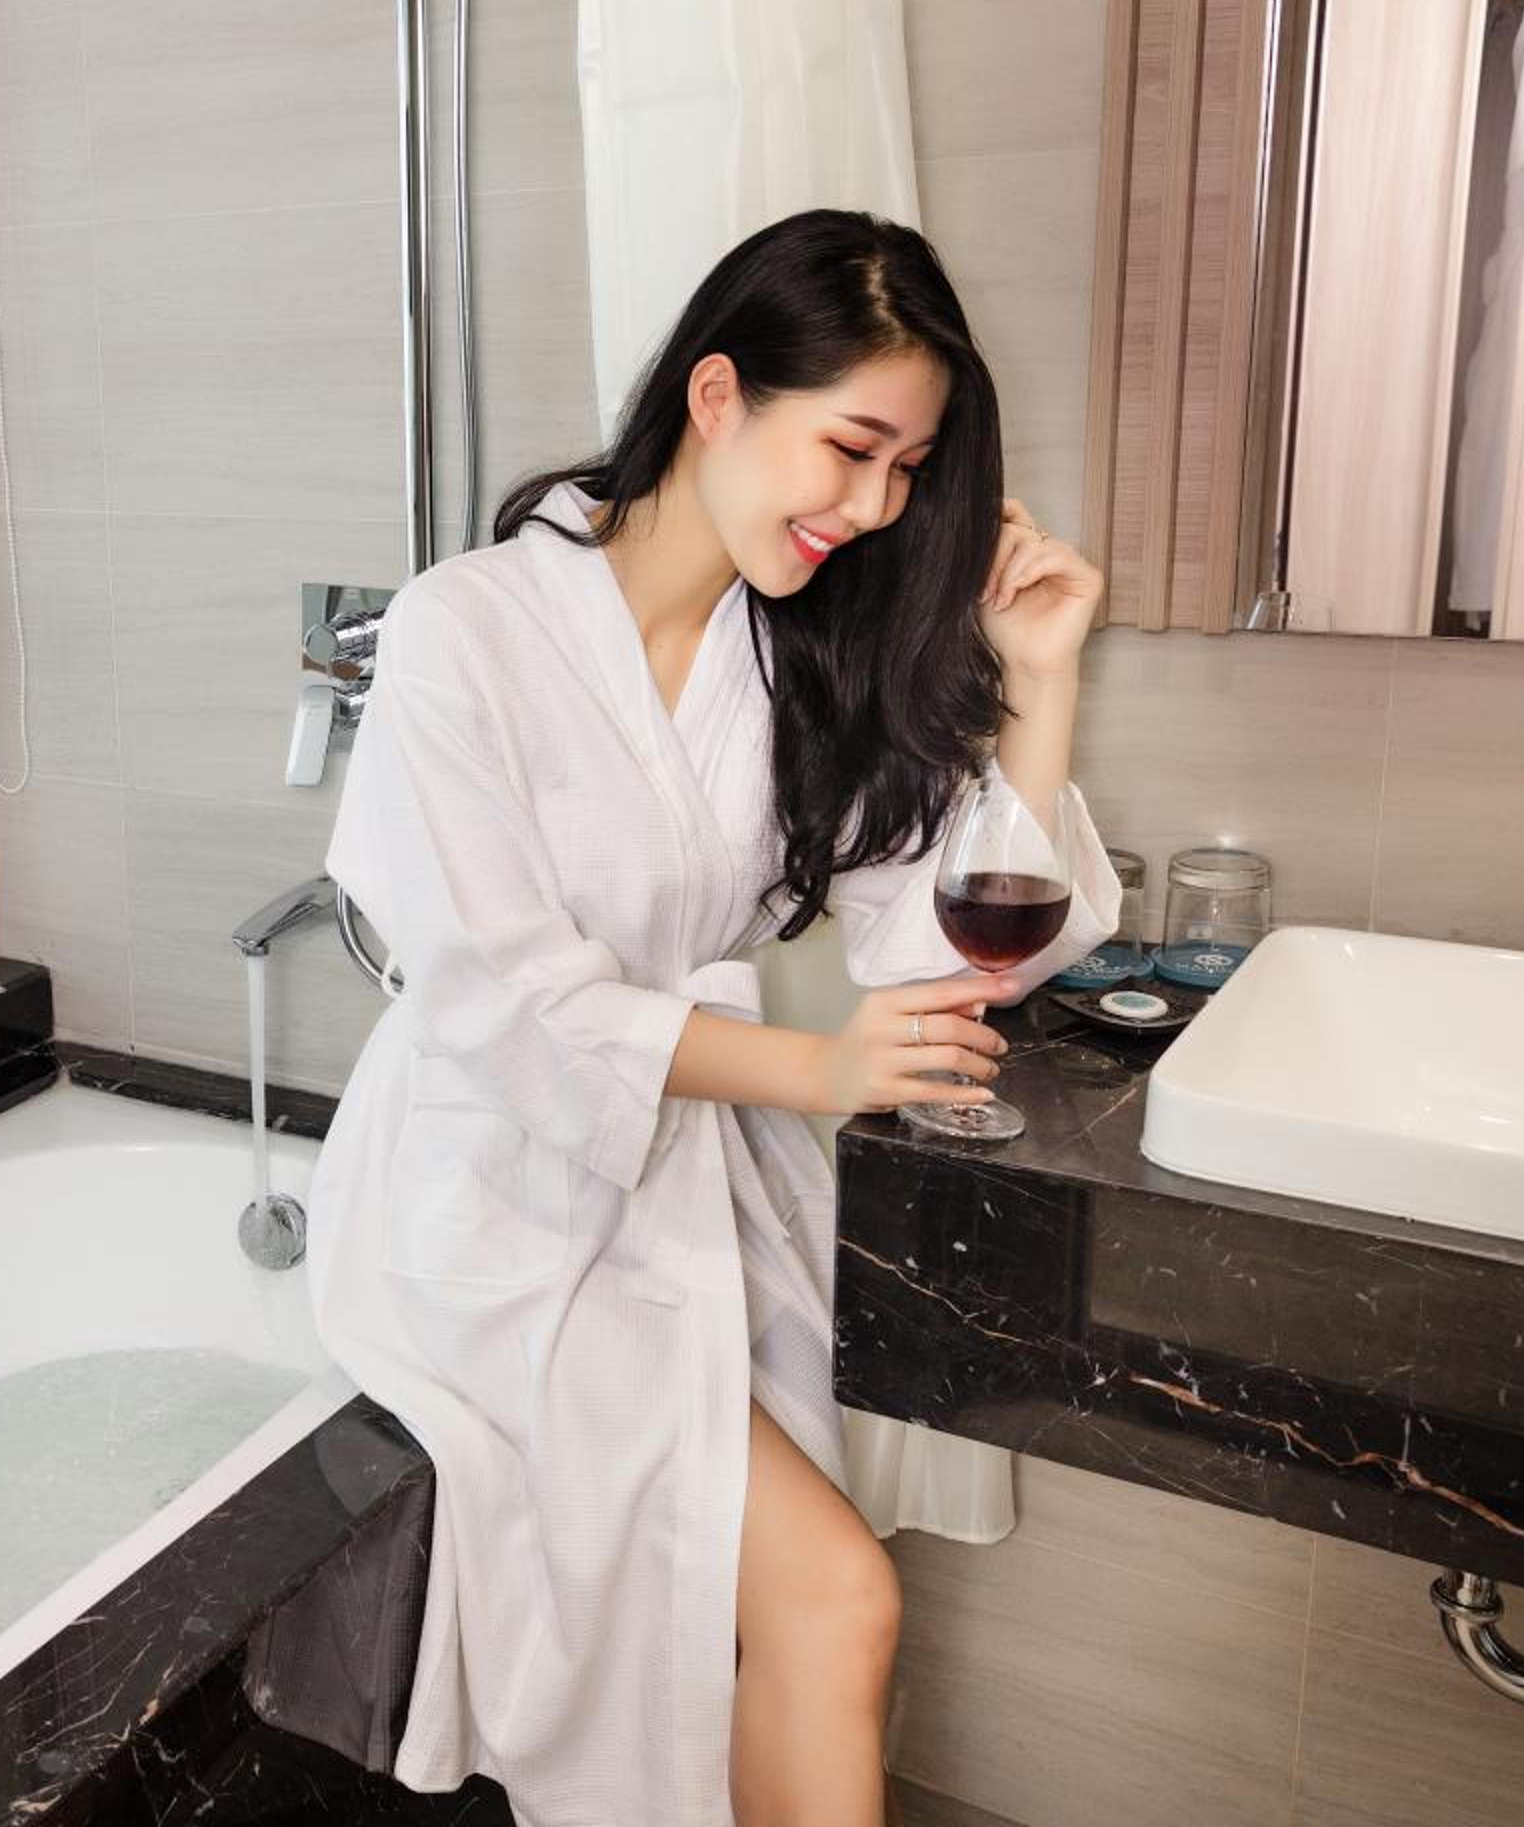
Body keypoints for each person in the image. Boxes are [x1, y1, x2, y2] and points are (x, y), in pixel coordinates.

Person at [306, 210, 1118, 1827]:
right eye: (854, 450)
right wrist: (814, 1066)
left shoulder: (795, 650)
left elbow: (957, 950)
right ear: (719, 393)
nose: (873, 509)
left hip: (679, 1186)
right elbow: (497, 992)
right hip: (488, 1193)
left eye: (909, 472)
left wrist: (1039, 677)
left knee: (790, 1613)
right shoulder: (469, 626)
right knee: (834, 1596)